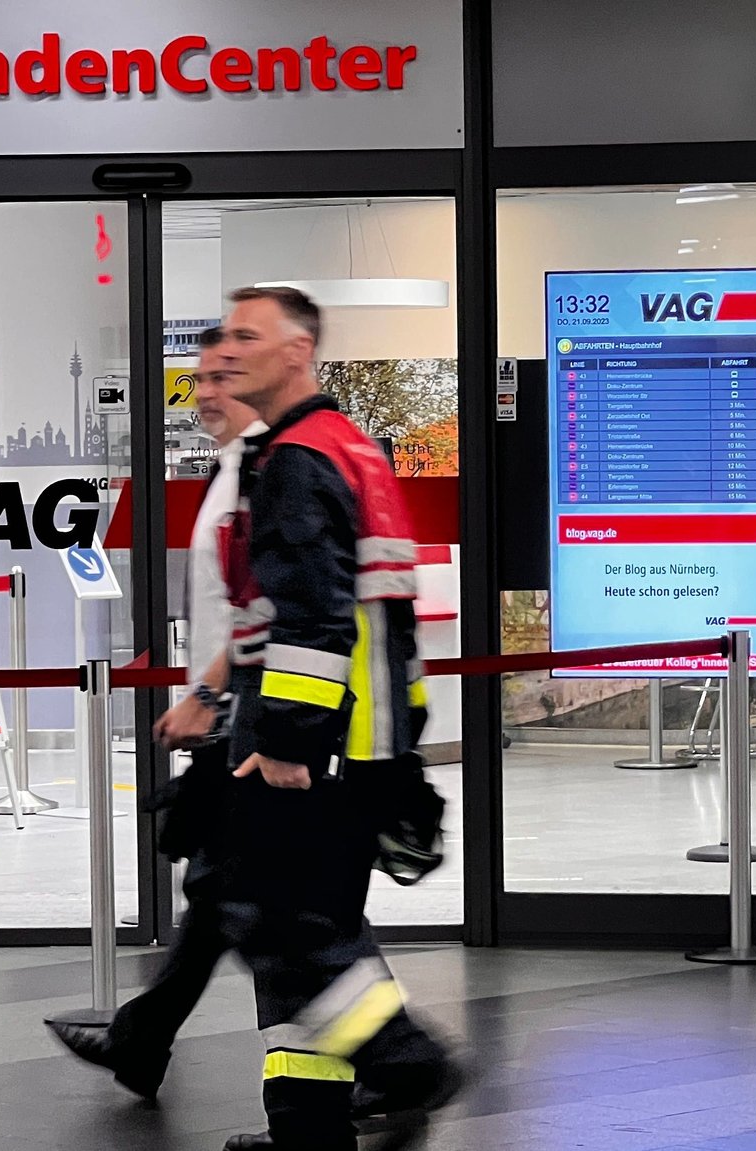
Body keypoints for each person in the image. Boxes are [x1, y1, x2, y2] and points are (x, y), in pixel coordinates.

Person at [212, 285, 458, 1151]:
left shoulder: (298, 459)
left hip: (323, 747)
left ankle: (404, 1058)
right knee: (306, 930)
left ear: (296, 351)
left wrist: (285, 743)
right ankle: (309, 1121)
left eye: (248, 335)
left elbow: (312, 618)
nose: (229, 349)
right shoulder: (348, 447)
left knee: (280, 927)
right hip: (369, 738)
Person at [52, 327, 263, 1098]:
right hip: (232, 718)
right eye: (200, 379)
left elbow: (261, 612)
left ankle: (388, 1063)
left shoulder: (267, 473)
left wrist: (207, 695)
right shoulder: (230, 468)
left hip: (251, 720)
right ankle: (142, 1039)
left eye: (222, 378)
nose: (204, 393)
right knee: (218, 895)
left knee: (269, 913)